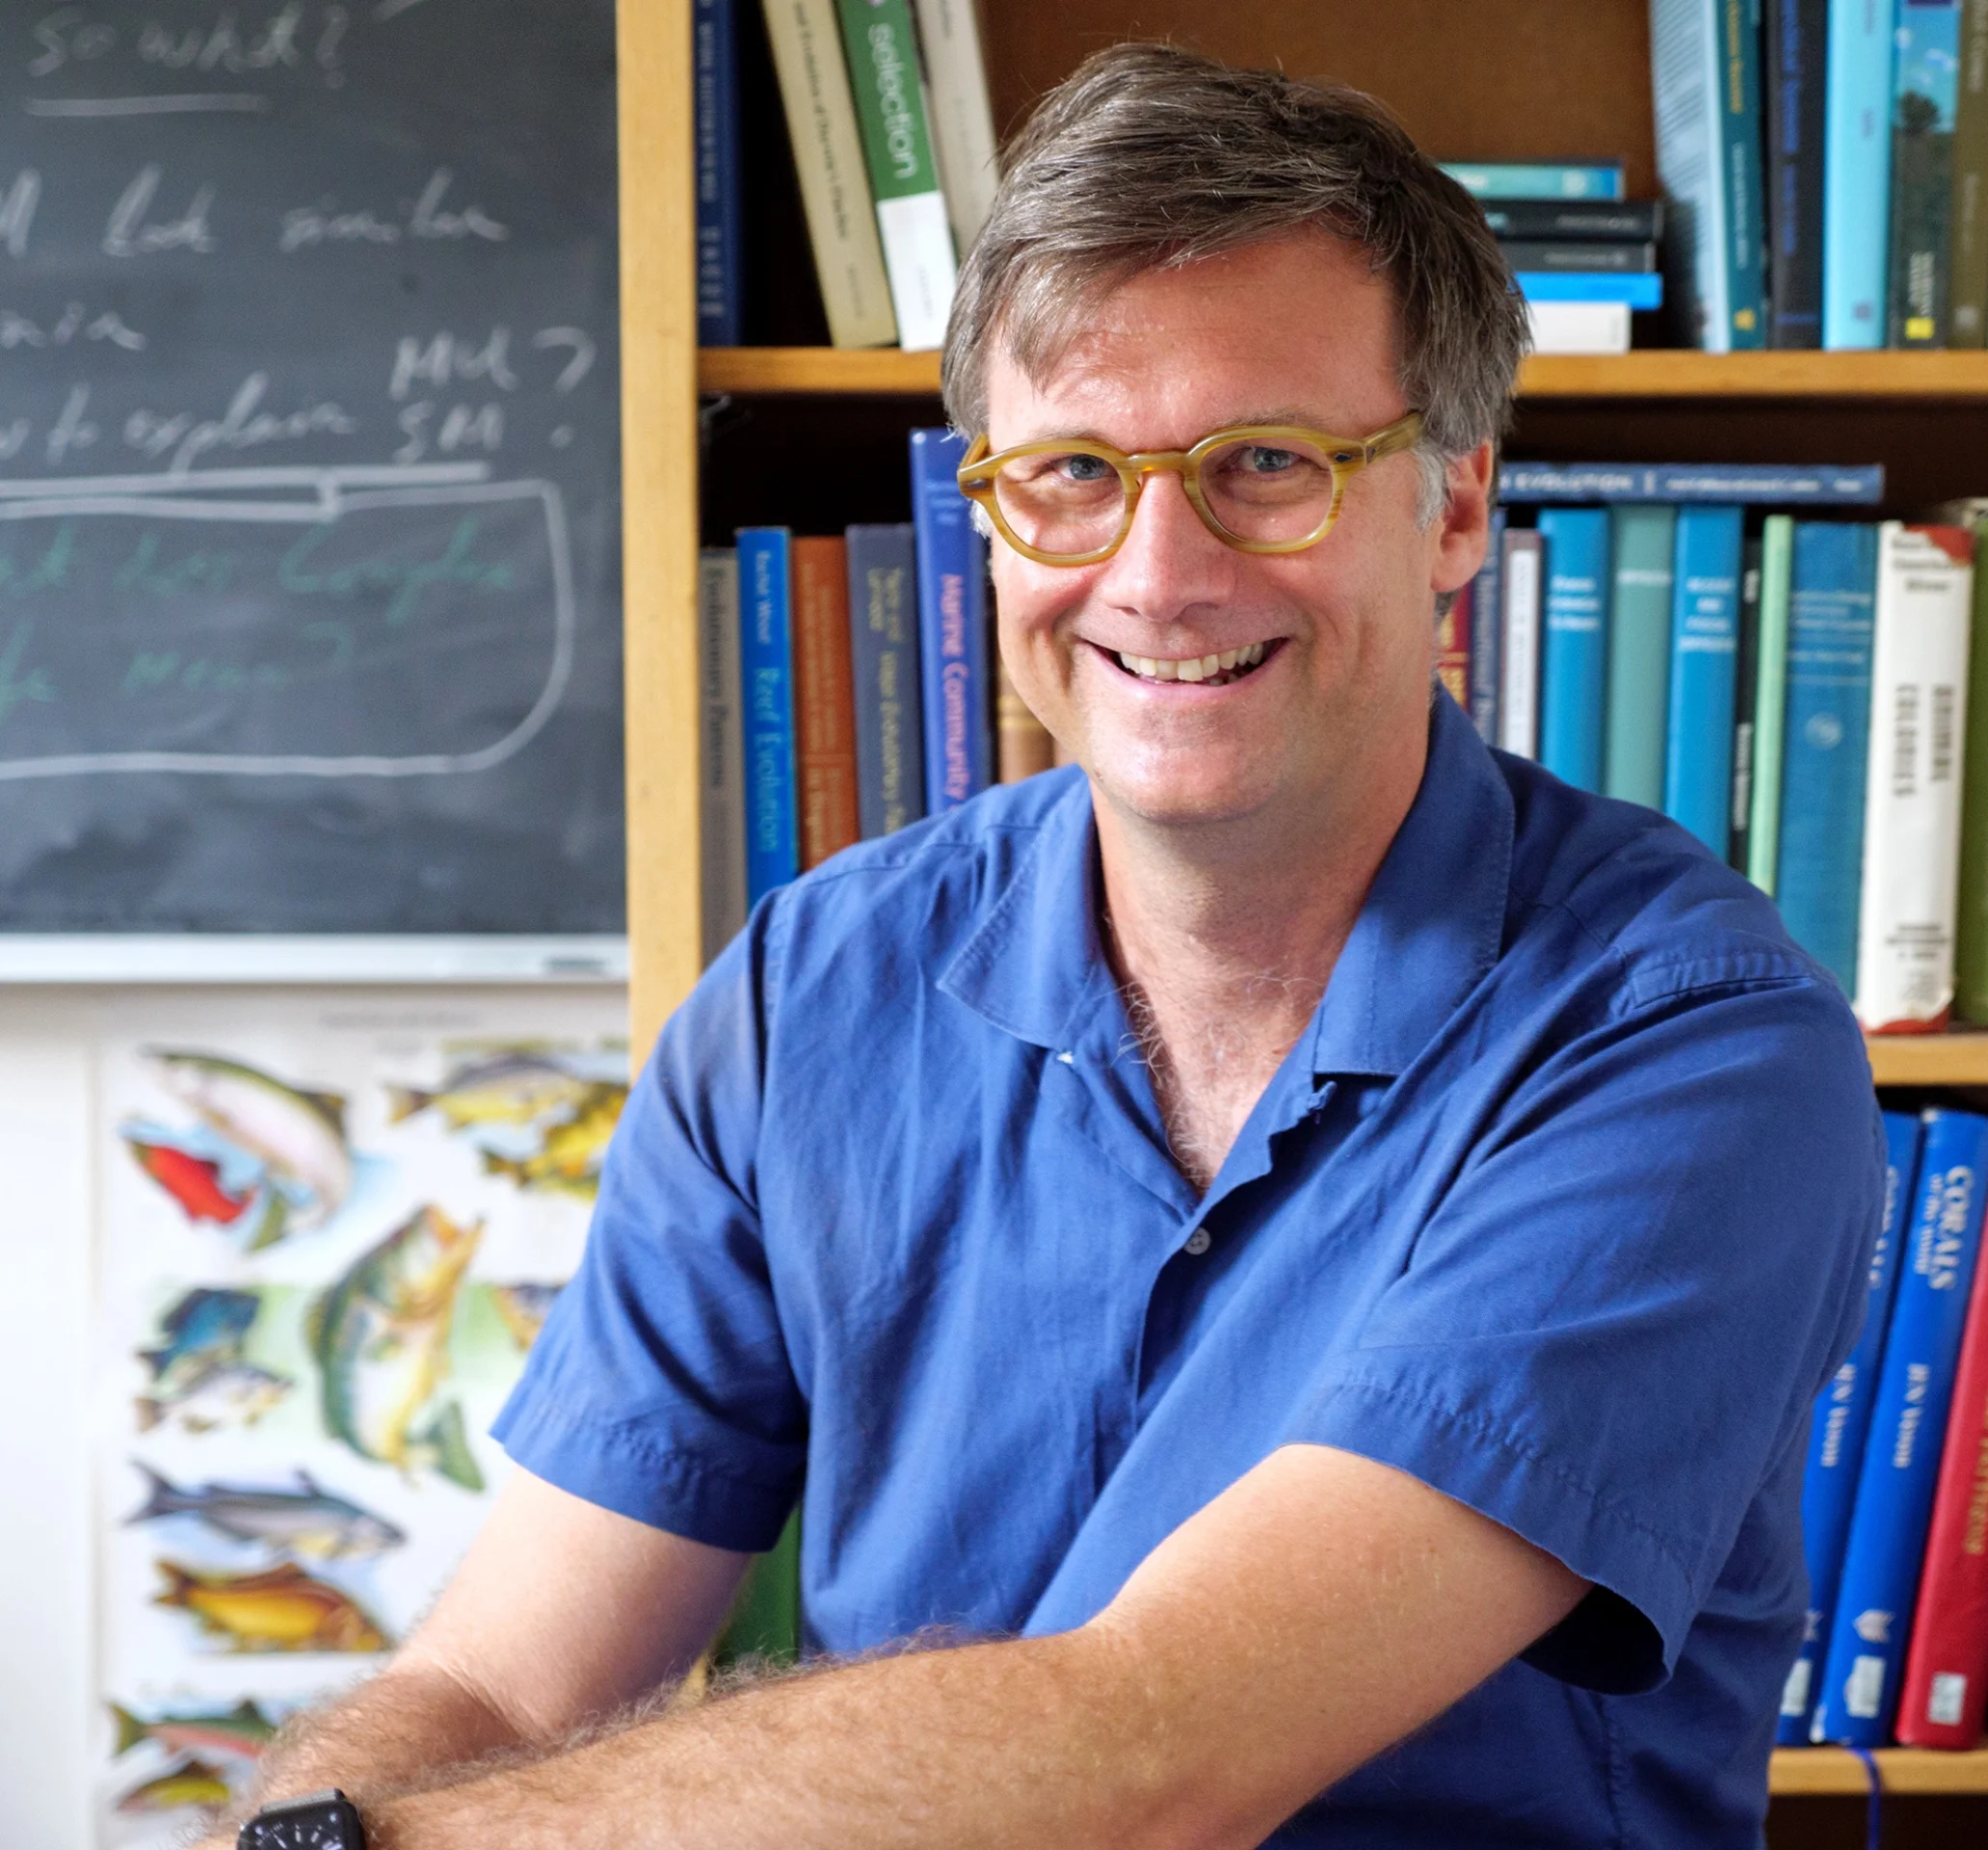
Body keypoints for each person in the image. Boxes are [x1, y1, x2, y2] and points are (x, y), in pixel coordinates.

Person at [215, 43, 1881, 1850]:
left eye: (1267, 463)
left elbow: (1153, 1758)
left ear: (1455, 507)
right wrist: (307, 1828)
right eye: (1073, 471)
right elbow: (498, 1694)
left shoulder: (1687, 1046)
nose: (1158, 572)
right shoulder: (805, 1003)